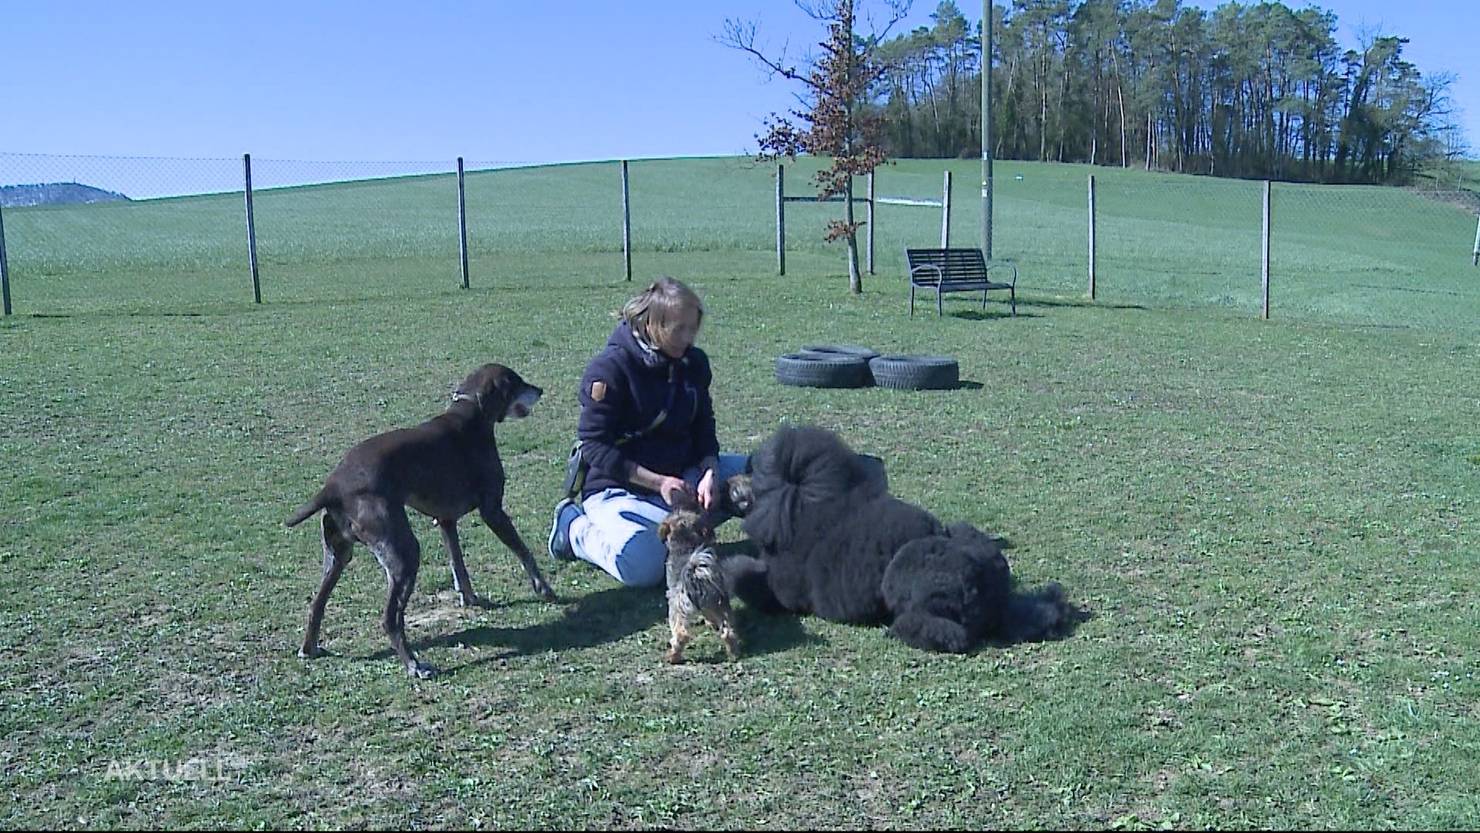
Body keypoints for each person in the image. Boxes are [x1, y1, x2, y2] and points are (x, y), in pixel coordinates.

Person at [547, 277, 748, 587]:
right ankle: (572, 529)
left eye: (693, 328)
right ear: (653, 324)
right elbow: (594, 446)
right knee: (641, 563)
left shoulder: (693, 363)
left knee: (764, 473)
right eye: (678, 329)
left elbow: (703, 421)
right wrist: (659, 483)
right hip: (621, 488)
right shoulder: (610, 370)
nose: (688, 338)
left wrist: (710, 468)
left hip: (685, 476)